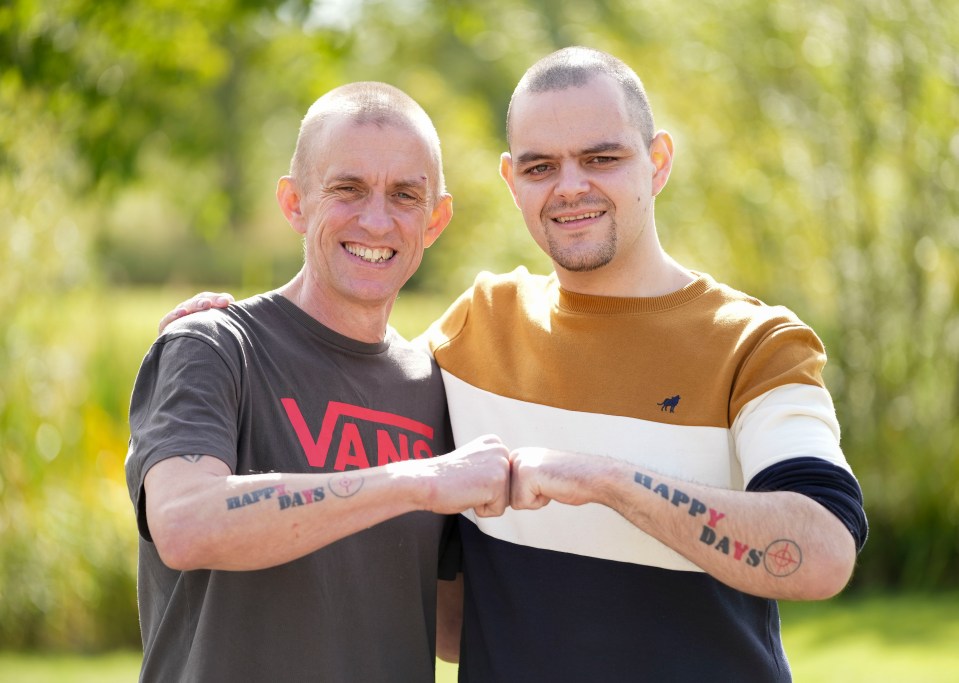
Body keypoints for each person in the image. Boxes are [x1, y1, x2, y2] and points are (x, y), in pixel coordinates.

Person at [165, 48, 868, 682]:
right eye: (540, 165)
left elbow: (822, 551)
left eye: (600, 158)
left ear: (656, 161)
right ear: (511, 180)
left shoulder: (757, 343)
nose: (569, 187)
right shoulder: (477, 328)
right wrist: (226, 332)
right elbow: (349, 358)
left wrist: (602, 478)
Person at [126, 81, 511, 683]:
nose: (376, 220)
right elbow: (185, 524)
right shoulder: (213, 347)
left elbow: (451, 627)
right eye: (347, 189)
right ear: (294, 202)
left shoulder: (436, 390)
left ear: (435, 219)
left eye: (405, 196)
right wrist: (415, 481)